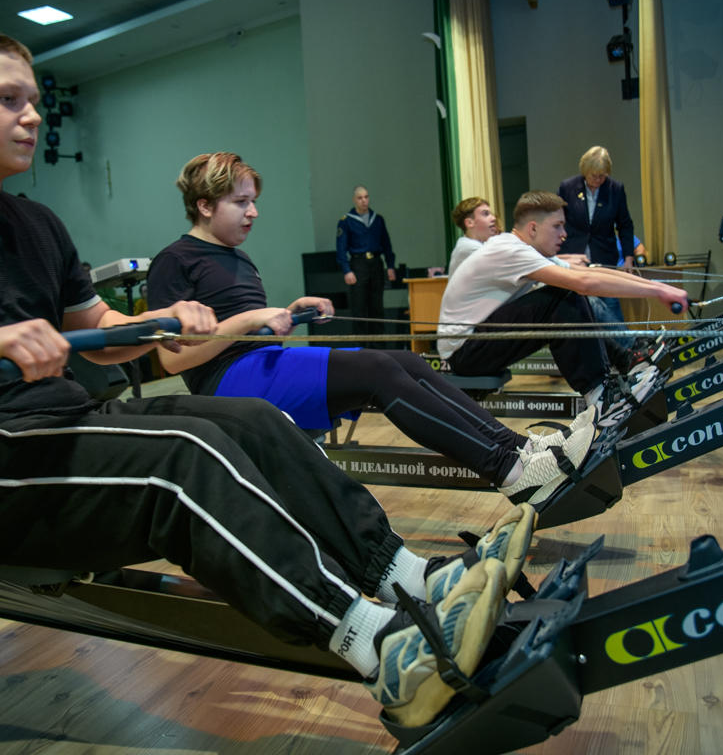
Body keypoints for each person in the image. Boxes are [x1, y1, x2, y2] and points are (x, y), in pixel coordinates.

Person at [0, 27, 535, 732]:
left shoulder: (35, 223)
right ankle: (377, 644)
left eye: (33, 99)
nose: (31, 115)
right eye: (8, 99)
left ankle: (403, 576)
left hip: (58, 425)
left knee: (253, 421)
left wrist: (160, 319)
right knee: (181, 464)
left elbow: (96, 333)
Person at [147, 153, 595, 507]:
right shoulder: (175, 260)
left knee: (403, 360)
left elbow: (245, 328)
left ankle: (520, 451)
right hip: (226, 383)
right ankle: (511, 472)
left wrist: (287, 311)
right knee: (379, 370)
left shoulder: (238, 257)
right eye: (240, 203)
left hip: (259, 365)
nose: (254, 212)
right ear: (204, 206)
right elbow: (172, 358)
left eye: (253, 201)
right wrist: (250, 320)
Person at [438, 191, 688, 427]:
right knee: (562, 295)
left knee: (564, 291)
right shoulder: (510, 250)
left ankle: (625, 361)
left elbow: (588, 273)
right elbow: (584, 283)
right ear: (533, 228)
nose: (564, 234)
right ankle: (602, 398)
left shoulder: (522, 247)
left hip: (474, 344)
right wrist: (659, 292)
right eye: (557, 226)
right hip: (463, 354)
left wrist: (656, 286)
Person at [557, 146, 638, 348]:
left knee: (609, 306)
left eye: (602, 176)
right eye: (594, 176)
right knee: (582, 310)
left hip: (604, 257)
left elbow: (625, 225)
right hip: (573, 258)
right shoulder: (567, 187)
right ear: (585, 171)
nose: (598, 180)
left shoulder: (615, 189)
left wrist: (628, 257)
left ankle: (628, 349)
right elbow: (557, 220)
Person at [335, 185, 396, 345]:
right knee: (359, 308)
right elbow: (341, 248)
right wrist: (347, 270)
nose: (364, 201)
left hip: (376, 263)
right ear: (355, 200)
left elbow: (387, 244)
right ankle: (361, 347)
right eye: (360, 198)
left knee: (377, 306)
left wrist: (390, 265)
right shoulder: (346, 221)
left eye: (366, 197)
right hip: (358, 264)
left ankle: (380, 347)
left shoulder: (378, 219)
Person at [447, 197, 500, 276]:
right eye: (485, 214)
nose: (493, 218)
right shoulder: (468, 248)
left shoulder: (482, 244)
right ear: (469, 223)